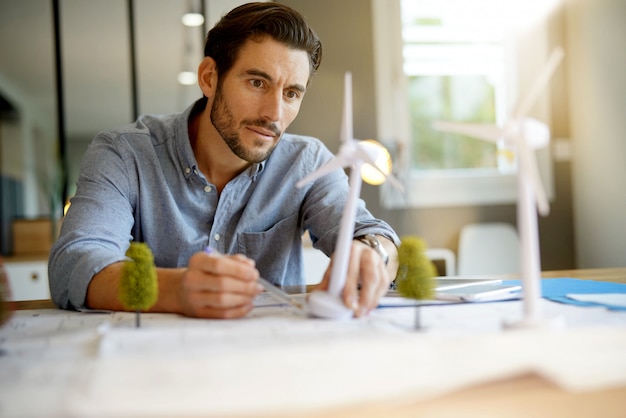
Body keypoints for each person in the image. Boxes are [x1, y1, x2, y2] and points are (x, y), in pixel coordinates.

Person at [48, 2, 399, 319]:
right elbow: (74, 264)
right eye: (257, 82)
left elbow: (374, 236)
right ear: (209, 78)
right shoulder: (124, 154)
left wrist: (372, 254)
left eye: (291, 93)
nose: (274, 114)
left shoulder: (307, 162)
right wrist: (174, 290)